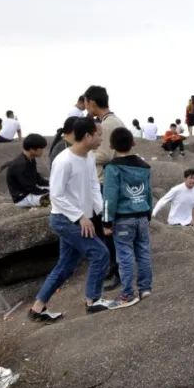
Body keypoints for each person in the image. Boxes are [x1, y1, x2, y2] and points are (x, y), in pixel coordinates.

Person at [27, 117, 131, 321]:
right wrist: (80, 217)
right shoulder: (64, 161)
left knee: (65, 265)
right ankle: (93, 301)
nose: (102, 137)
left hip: (82, 218)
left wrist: (104, 215)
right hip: (65, 219)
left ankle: (37, 308)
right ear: (87, 136)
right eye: (99, 134)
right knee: (100, 254)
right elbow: (56, 195)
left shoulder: (89, 157)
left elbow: (93, 187)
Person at [102, 127, 153, 305]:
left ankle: (127, 294)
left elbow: (110, 197)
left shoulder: (112, 168)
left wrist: (107, 222)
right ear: (133, 142)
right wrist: (149, 213)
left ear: (111, 145)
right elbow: (148, 192)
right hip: (142, 216)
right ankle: (145, 288)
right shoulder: (144, 166)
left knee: (124, 256)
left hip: (123, 218)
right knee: (144, 252)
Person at [84, 85, 125, 291]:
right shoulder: (109, 121)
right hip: (105, 180)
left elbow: (107, 155)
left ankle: (116, 270)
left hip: (106, 182)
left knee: (108, 228)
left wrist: (83, 154)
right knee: (104, 228)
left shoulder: (108, 124)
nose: (86, 108)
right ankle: (111, 267)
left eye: (87, 103)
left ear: (92, 102)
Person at [6, 134, 51, 208]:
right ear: (32, 149)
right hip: (23, 198)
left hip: (31, 191)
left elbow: (38, 179)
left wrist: (52, 184)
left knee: (58, 190)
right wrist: (48, 192)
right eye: (41, 148)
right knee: (54, 199)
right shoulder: (21, 165)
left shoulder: (30, 159)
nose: (43, 151)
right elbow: (29, 188)